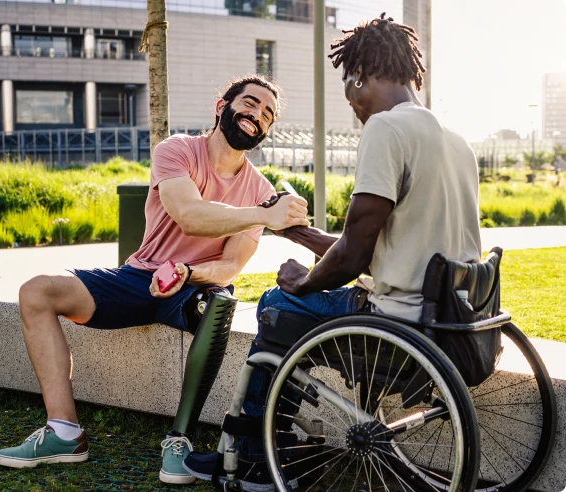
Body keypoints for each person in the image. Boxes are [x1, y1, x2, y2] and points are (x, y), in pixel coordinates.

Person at [184, 13, 482, 491]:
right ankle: (280, 438)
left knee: (277, 305)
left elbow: (354, 257)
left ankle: (259, 457)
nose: (353, 107)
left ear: (358, 77)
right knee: (297, 302)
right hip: (446, 316)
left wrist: (302, 281)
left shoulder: (386, 129)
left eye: (350, 91)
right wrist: (297, 233)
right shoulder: (455, 140)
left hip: (396, 322)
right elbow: (380, 244)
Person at [0, 75, 310, 485]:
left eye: (268, 114)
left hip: (194, 289)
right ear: (221, 105)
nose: (256, 116)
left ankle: (178, 439)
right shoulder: (176, 150)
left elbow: (231, 266)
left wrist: (190, 272)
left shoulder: (259, 188)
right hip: (139, 277)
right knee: (36, 290)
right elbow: (188, 213)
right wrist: (264, 214)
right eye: (249, 103)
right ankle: (64, 433)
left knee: (221, 300)